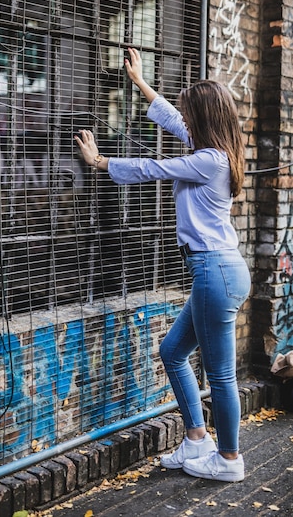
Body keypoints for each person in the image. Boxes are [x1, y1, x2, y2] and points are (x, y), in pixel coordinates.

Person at [75, 47, 251, 482]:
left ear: (206, 119)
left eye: (193, 114)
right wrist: (138, 82)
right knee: (173, 352)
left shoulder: (208, 160)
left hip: (215, 272)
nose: (185, 121)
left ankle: (229, 460)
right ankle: (196, 439)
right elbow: (172, 119)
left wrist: (99, 162)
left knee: (223, 376)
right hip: (216, 271)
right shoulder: (213, 149)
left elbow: (154, 167)